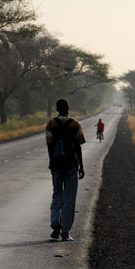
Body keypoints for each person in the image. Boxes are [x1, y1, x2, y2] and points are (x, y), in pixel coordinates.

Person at [46, 99, 85, 241]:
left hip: (56, 165)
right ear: (68, 108)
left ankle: (56, 226)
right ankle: (66, 232)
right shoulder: (75, 124)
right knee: (69, 198)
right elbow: (79, 146)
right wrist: (81, 166)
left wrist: (52, 162)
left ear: (57, 108)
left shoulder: (51, 124)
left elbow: (49, 145)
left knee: (57, 195)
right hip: (71, 165)